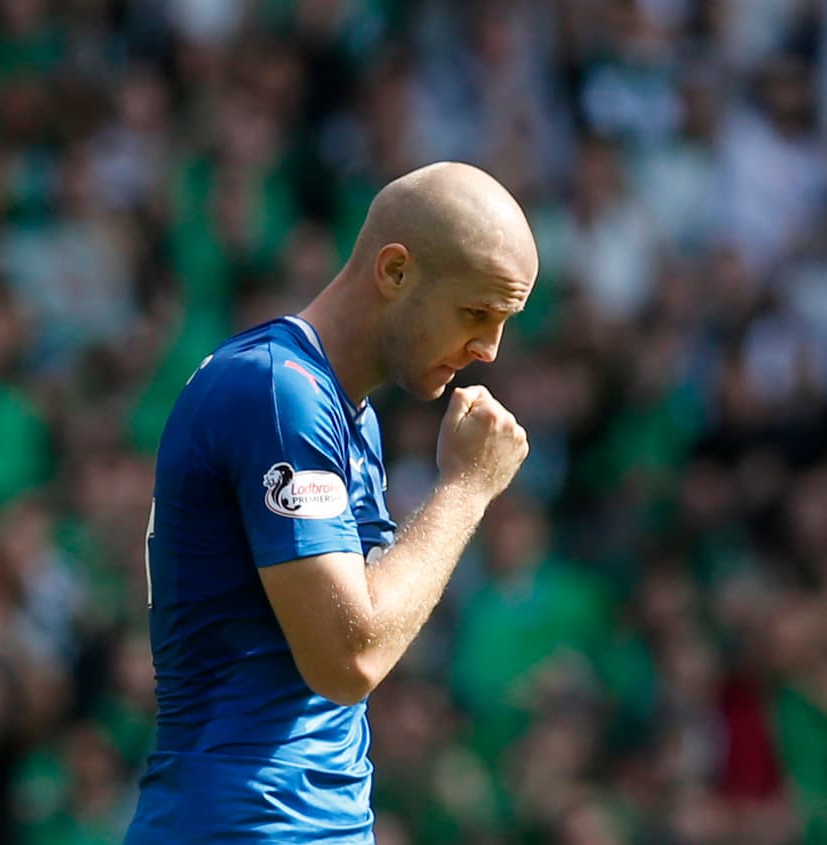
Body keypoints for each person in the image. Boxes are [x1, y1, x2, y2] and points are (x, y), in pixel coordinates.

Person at [125, 161, 538, 843]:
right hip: (241, 823)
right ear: (396, 271)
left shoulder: (345, 414)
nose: (488, 349)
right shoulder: (277, 395)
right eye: (475, 312)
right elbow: (349, 658)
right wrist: (466, 488)